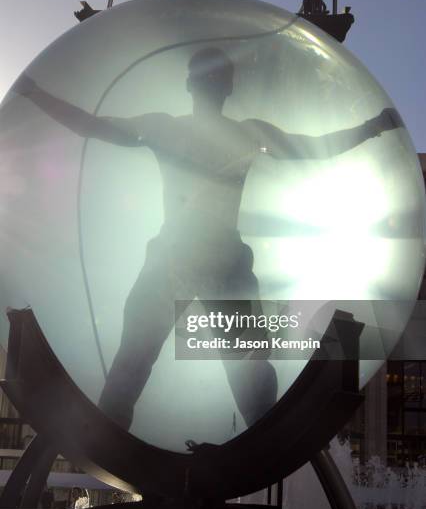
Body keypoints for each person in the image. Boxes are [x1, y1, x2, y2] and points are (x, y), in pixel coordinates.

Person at [15, 48, 400, 435]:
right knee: (217, 369)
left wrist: (34, 94)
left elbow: (91, 125)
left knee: (146, 365)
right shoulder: (240, 133)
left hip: (187, 259)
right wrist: (373, 126)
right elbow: (313, 147)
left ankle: (113, 439)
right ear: (225, 88)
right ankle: (255, 442)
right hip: (207, 261)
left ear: (191, 85)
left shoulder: (174, 129)